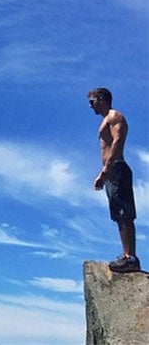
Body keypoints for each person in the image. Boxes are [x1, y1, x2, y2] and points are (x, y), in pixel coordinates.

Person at [88, 87, 140, 272]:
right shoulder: (105, 120)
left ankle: (130, 257)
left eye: (92, 101)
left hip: (117, 168)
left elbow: (117, 142)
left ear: (101, 99)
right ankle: (127, 255)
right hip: (113, 171)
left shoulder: (114, 116)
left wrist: (105, 171)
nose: (90, 106)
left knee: (124, 214)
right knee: (118, 215)